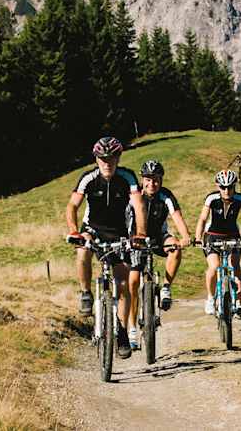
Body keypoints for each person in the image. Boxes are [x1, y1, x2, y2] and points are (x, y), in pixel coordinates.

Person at [64, 136, 148, 359]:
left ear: (119, 158)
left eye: (111, 158)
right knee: (82, 251)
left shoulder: (127, 177)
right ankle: (85, 293)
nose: (107, 163)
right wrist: (74, 230)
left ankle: (120, 332)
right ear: (96, 159)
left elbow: (139, 206)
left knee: (121, 283)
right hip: (92, 229)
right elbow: (72, 205)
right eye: (102, 159)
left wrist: (139, 233)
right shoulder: (88, 178)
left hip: (119, 233)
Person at [126, 160, 192, 349]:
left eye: (156, 180)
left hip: (158, 238)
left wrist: (185, 236)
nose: (152, 184)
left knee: (175, 247)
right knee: (132, 282)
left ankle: (165, 287)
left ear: (161, 180)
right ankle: (131, 328)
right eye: (148, 179)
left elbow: (177, 217)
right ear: (142, 180)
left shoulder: (166, 196)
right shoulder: (134, 195)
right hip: (135, 240)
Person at [195, 169, 241, 317]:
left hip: (233, 235)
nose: (227, 190)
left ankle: (238, 303)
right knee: (214, 266)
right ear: (218, 186)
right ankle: (210, 298)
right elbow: (203, 218)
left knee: (235, 267)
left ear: (235, 186)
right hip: (213, 236)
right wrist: (198, 237)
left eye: (230, 187)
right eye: (223, 187)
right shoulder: (211, 198)